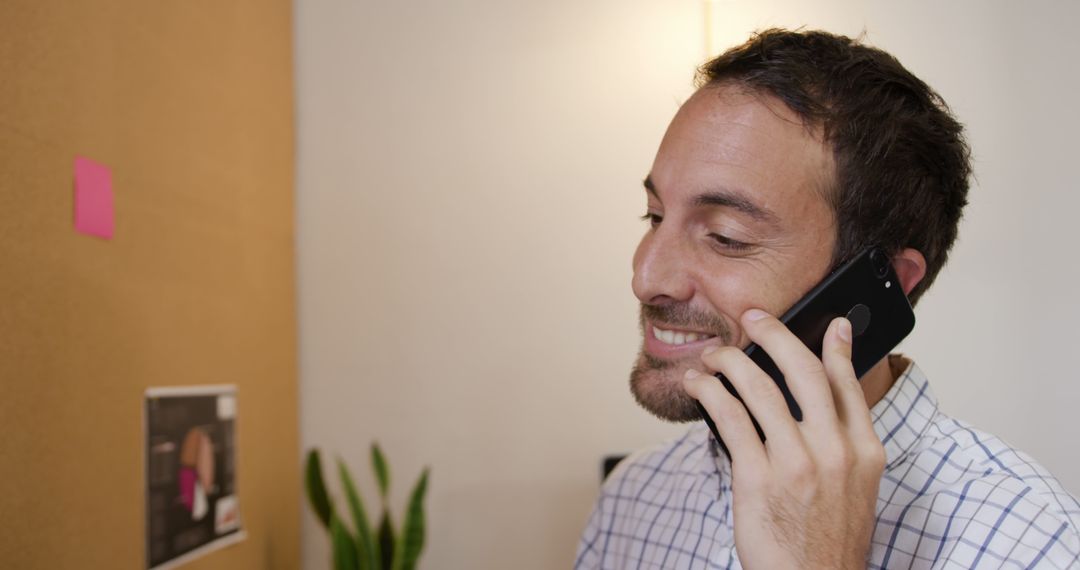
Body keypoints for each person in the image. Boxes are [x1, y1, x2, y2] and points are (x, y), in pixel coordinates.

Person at [575, 29, 1080, 569]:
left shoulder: (1030, 545)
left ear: (886, 281)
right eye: (654, 217)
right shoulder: (633, 497)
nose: (646, 277)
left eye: (726, 237)